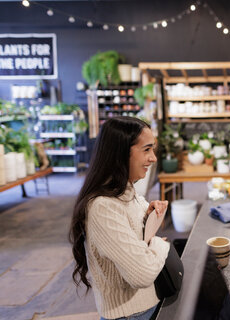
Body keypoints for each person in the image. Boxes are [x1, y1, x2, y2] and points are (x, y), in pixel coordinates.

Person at [70, 116, 169, 320]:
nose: (153, 158)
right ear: (121, 153)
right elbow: (141, 274)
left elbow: (134, 240)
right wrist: (160, 245)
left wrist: (146, 218)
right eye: (146, 149)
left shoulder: (126, 191)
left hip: (145, 306)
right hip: (130, 315)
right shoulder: (102, 207)